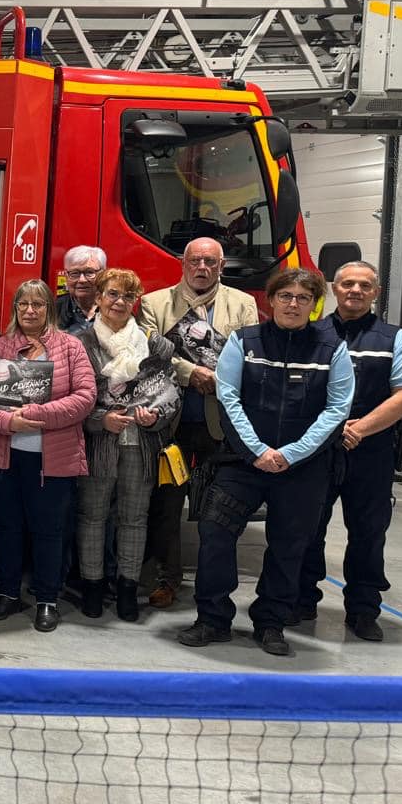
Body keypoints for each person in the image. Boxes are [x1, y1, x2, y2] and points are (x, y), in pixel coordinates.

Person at [179, 267, 353, 657]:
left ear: (314, 305)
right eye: (286, 296)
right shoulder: (244, 341)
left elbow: (337, 408)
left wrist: (291, 454)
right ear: (270, 300)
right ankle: (212, 619)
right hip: (241, 462)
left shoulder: (332, 349)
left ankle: (271, 622)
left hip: (303, 468)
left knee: (290, 546)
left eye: (303, 298)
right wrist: (257, 451)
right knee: (215, 535)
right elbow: (228, 398)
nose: (294, 304)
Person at [298, 261, 402, 642]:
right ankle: (301, 600)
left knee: (368, 534)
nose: (355, 290)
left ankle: (364, 610)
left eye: (364, 285)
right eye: (348, 283)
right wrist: (328, 431)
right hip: (317, 450)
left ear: (375, 293)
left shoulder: (395, 339)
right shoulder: (309, 333)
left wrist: (359, 429)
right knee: (306, 528)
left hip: (371, 452)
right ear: (334, 288)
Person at [138, 237, 261, 608]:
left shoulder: (244, 304)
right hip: (171, 425)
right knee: (167, 506)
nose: (202, 267)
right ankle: (167, 578)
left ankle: (212, 584)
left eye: (210, 261)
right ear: (183, 263)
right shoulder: (153, 303)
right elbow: (148, 353)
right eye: (196, 261)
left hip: (220, 425)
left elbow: (250, 356)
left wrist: (218, 379)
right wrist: (192, 373)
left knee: (217, 510)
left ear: (221, 266)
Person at [0, 279, 97, 632]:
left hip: (53, 460)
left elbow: (85, 398)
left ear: (50, 309)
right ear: (15, 308)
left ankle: (47, 598)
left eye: (38, 304)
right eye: (24, 304)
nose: (30, 311)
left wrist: (38, 416)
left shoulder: (71, 348)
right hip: (3, 457)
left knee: (49, 531)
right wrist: (9, 421)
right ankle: (8, 594)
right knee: (6, 527)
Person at [73, 268, 180, 623]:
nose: (119, 302)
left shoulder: (155, 343)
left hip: (140, 443)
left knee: (134, 519)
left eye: (127, 296)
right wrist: (99, 420)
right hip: (99, 443)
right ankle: (91, 586)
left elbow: (170, 394)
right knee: (92, 516)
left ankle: (127, 589)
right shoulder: (80, 342)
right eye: (113, 294)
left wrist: (157, 414)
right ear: (99, 298)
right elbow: (72, 397)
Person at [55, 246, 105, 334]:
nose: (82, 280)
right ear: (66, 276)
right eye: (75, 273)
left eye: (90, 272)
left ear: (103, 274)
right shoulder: (53, 311)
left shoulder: (115, 309)